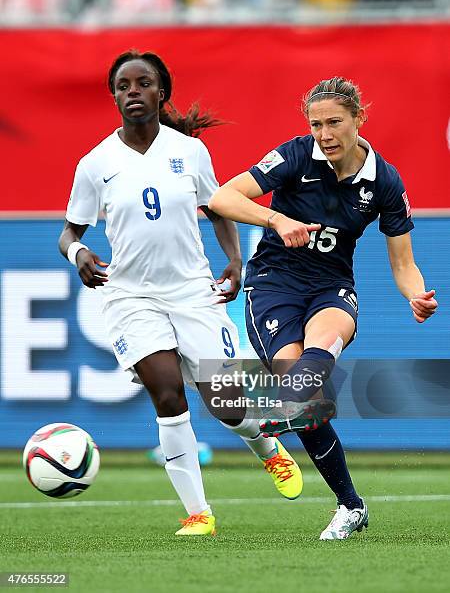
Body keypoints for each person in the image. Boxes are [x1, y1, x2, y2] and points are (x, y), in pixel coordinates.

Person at [58, 49, 302, 536]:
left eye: (143, 83)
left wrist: (234, 262)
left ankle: (268, 449)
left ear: (160, 93)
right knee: (168, 395)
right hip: (130, 296)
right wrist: (78, 255)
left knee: (228, 403)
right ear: (114, 96)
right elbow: (70, 232)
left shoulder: (188, 152)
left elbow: (219, 208)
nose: (133, 91)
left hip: (192, 291)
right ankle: (198, 513)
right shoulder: (95, 163)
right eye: (123, 85)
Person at [208, 76, 438, 540]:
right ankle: (351, 506)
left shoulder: (386, 181)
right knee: (305, 398)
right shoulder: (294, 155)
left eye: (334, 122)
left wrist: (416, 293)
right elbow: (221, 197)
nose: (324, 134)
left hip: (332, 286)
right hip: (273, 284)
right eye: (316, 124)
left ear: (359, 119)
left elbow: (403, 263)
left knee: (312, 367)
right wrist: (276, 217)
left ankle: (290, 402)